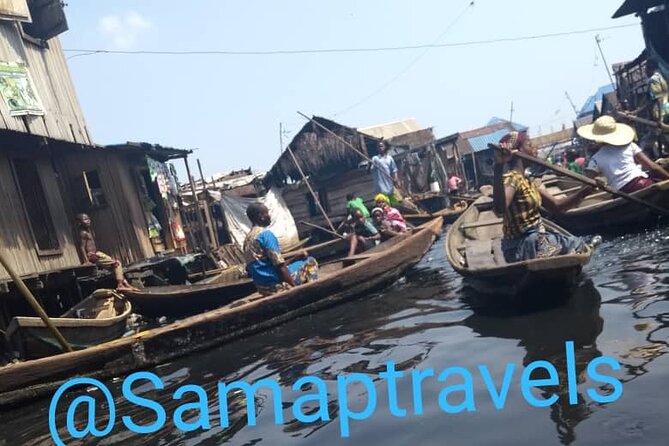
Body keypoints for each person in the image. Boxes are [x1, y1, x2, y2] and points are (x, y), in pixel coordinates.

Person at [493, 131, 594, 263]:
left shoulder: (526, 179)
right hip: (521, 246)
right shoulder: (512, 179)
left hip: (537, 238)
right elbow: (500, 209)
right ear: (518, 152)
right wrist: (498, 166)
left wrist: (583, 192)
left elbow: (556, 207)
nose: (535, 148)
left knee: (576, 244)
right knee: (575, 246)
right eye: (529, 144)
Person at [577, 115, 669, 192]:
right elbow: (653, 167)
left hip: (622, 193)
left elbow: (587, 183)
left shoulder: (595, 159)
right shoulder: (630, 146)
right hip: (643, 183)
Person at [243, 203, 318, 295]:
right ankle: (313, 292)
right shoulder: (265, 235)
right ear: (261, 216)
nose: (269, 216)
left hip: (263, 288)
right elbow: (280, 267)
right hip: (277, 286)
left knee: (297, 262)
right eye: (267, 213)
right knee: (310, 261)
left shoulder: (247, 240)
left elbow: (267, 266)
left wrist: (295, 258)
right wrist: (295, 288)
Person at [76, 213, 137, 291]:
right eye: (85, 219)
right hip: (92, 256)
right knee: (117, 264)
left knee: (114, 267)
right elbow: (82, 247)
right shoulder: (83, 233)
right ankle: (120, 284)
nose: (88, 221)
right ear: (80, 222)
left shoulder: (89, 231)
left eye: (88, 219)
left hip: (97, 253)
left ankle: (126, 284)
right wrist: (86, 261)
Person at [370, 140, 399, 206]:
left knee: (395, 204)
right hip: (380, 185)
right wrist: (370, 164)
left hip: (389, 183)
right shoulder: (375, 158)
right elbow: (370, 170)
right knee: (385, 203)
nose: (380, 148)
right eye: (378, 147)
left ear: (385, 147)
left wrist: (395, 179)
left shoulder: (390, 158)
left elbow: (394, 170)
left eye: (381, 146)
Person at [646, 58, 669, 125]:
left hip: (661, 113)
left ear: (650, 68)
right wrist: (636, 111)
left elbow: (659, 99)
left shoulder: (653, 80)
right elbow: (650, 100)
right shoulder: (660, 76)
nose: (645, 71)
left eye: (646, 68)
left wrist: (660, 118)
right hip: (666, 109)